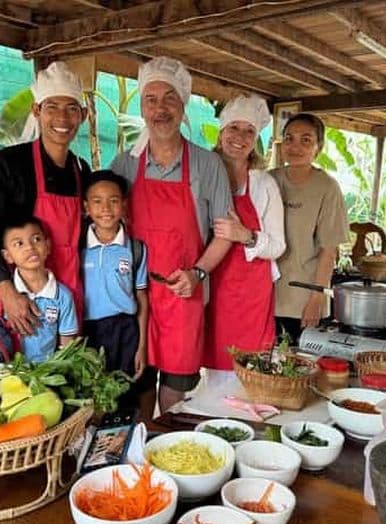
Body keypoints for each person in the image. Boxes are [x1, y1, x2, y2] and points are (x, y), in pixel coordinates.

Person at [111, 56, 233, 413]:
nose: (160, 109)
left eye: (169, 98)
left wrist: (197, 273)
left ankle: (172, 454)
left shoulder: (207, 164)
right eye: (151, 99)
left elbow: (224, 232)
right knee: (138, 387)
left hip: (185, 295)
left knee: (176, 399)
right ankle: (141, 457)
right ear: (141, 106)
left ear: (183, 106)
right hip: (134, 296)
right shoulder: (124, 164)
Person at [0, 61, 90, 337]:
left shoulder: (81, 170)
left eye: (72, 109)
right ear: (36, 111)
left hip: (68, 297)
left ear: (82, 116)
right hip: (22, 302)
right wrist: (6, 290)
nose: (62, 118)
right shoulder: (6, 164)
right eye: (52, 107)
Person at [203, 94, 285, 376]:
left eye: (249, 130)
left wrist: (245, 235)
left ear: (255, 139)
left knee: (249, 367)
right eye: (233, 128)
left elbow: (278, 246)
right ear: (221, 132)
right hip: (211, 283)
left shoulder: (265, 184)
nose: (240, 137)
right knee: (209, 363)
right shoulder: (201, 174)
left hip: (252, 291)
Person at [271, 113, 349, 343]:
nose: (295, 146)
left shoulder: (327, 187)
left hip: (304, 298)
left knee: (301, 369)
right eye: (289, 138)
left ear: (318, 147)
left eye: (306, 140)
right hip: (268, 295)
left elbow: (328, 251)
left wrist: (316, 299)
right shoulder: (268, 180)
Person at [0, 216, 77, 365]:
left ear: (47, 246)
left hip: (45, 378)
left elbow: (67, 348)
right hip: (4, 377)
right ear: (7, 256)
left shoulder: (63, 296)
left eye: (36, 239)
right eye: (19, 243)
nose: (30, 247)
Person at [80, 169, 149, 384]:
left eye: (113, 200)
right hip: (89, 332)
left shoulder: (135, 249)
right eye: (97, 201)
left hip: (125, 331)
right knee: (93, 394)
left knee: (125, 393)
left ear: (124, 204)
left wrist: (142, 347)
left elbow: (141, 298)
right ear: (86, 207)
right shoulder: (78, 247)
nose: (106, 209)